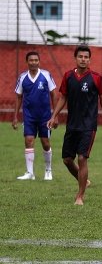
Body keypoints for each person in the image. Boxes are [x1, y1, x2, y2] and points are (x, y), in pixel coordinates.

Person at [48, 45, 102, 206]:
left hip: (88, 126)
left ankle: (80, 196)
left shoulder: (96, 78)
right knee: (67, 160)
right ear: (75, 58)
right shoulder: (68, 76)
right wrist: (54, 116)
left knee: (82, 158)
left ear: (89, 59)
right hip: (72, 125)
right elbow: (63, 98)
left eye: (86, 57)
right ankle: (84, 181)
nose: (83, 59)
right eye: (80, 57)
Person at [13, 51, 56, 181]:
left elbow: (53, 94)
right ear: (27, 62)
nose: (33, 62)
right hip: (29, 116)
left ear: (39, 61)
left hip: (45, 116)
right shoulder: (22, 78)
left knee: (45, 143)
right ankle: (29, 172)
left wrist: (55, 115)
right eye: (31, 60)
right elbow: (19, 97)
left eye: (36, 60)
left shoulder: (46, 75)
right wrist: (15, 116)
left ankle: (48, 171)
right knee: (29, 141)